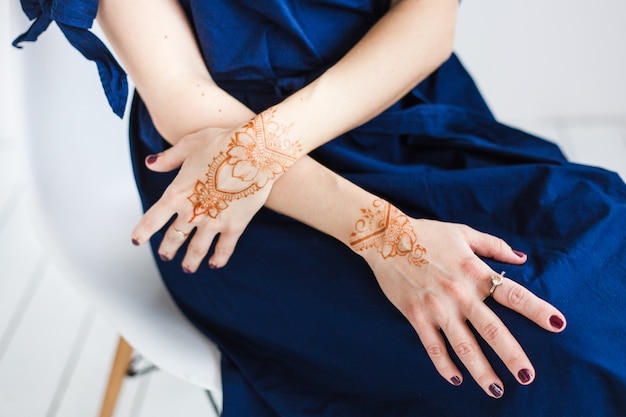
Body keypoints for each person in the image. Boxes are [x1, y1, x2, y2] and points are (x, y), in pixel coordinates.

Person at [14, 0, 626, 415]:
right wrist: (389, 238)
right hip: (234, 180)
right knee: (553, 356)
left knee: (604, 254)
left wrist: (268, 147)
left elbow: (428, 25)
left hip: (395, 114)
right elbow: (178, 93)